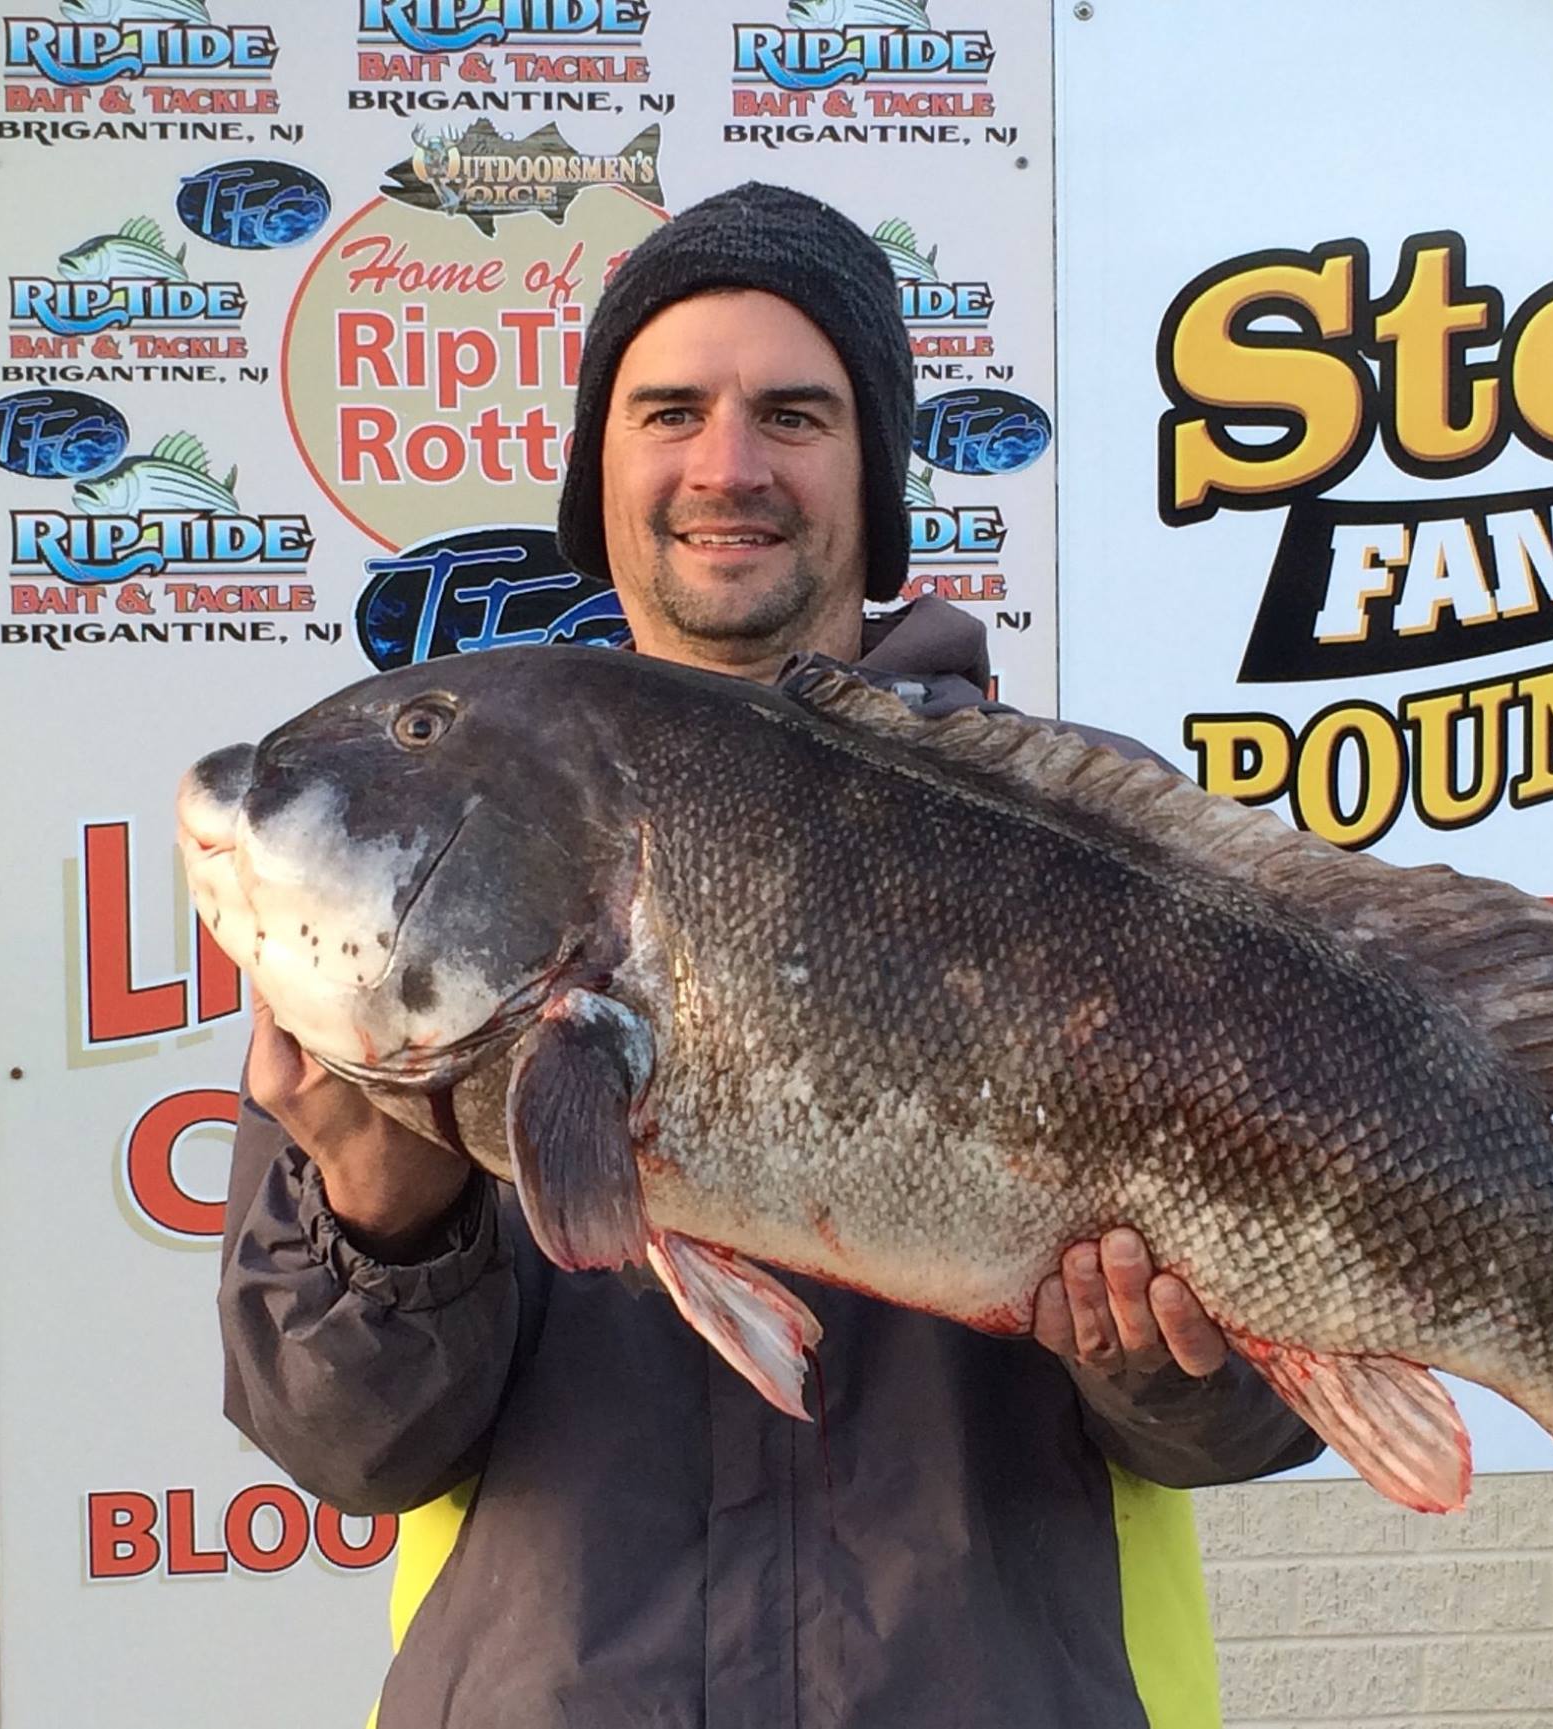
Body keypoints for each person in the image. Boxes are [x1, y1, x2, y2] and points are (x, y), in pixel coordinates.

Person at [220, 181, 1320, 1729]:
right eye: (671, 410)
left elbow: (1242, 1428)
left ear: (874, 472)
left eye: (793, 414)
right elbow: (347, 1448)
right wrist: (382, 1230)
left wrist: (1161, 1353)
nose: (728, 465)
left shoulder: (1086, 842)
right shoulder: (443, 857)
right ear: (601, 470)